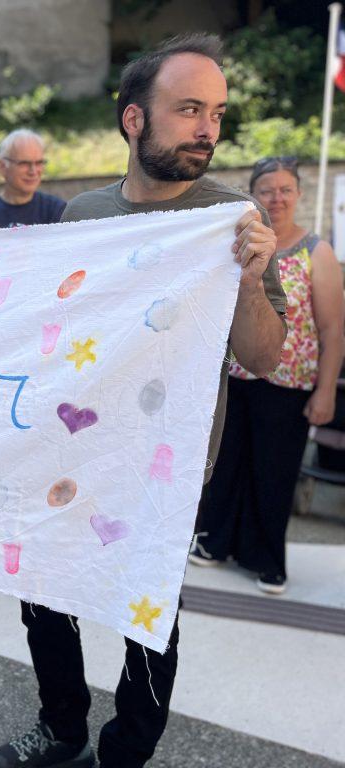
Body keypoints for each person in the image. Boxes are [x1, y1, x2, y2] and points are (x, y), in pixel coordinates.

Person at [0, 34, 286, 768]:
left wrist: (249, 275)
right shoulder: (84, 215)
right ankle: (61, 728)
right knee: (42, 585)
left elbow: (263, 356)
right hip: (73, 447)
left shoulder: (232, 220)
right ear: (134, 119)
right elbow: (38, 322)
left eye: (217, 113)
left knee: (148, 617)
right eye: (188, 108)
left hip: (166, 462)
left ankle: (124, 751)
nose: (207, 128)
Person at [192, 157, 344, 594]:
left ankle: (268, 561)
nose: (276, 198)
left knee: (273, 474)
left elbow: (333, 328)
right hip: (234, 378)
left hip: (288, 385)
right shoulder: (236, 243)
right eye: (266, 190)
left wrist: (326, 392)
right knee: (224, 468)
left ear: (298, 194)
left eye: (285, 190)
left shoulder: (318, 252)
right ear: (252, 195)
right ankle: (215, 543)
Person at [0, 129, 65, 235]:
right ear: (2, 166)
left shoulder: (58, 210)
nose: (33, 171)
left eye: (39, 163)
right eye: (24, 163)